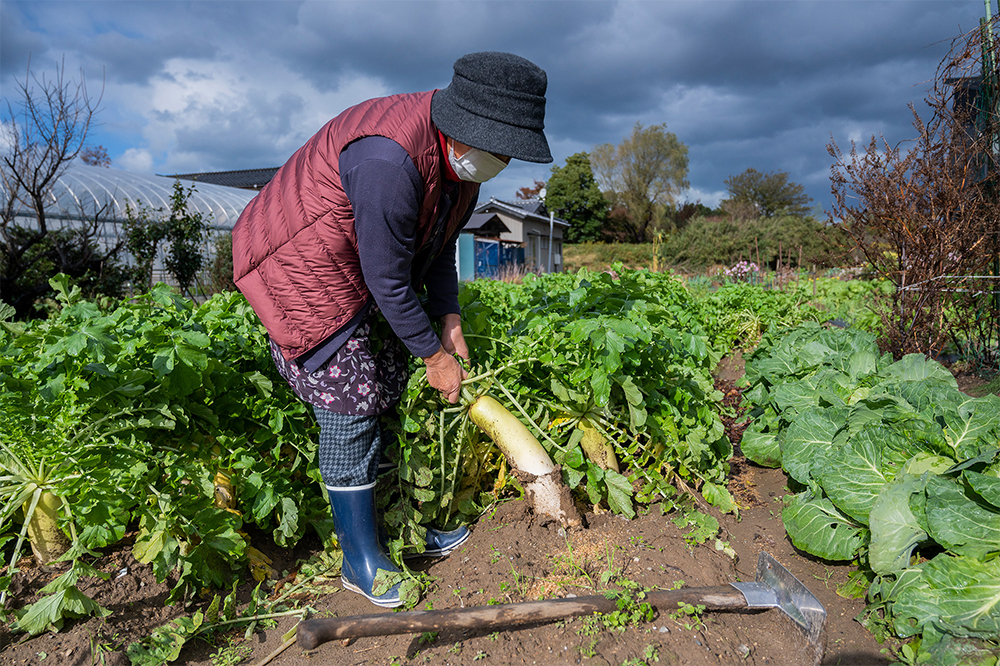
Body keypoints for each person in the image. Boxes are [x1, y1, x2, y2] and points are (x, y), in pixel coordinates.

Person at [231, 52, 552, 607]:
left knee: (382, 390)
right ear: (464, 129)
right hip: (300, 266)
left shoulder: (457, 168)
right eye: (498, 147)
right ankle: (360, 561)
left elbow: (440, 246)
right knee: (350, 403)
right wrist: (433, 355)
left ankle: (394, 535)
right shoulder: (387, 158)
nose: (502, 160)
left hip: (357, 264)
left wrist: (449, 320)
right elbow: (387, 277)